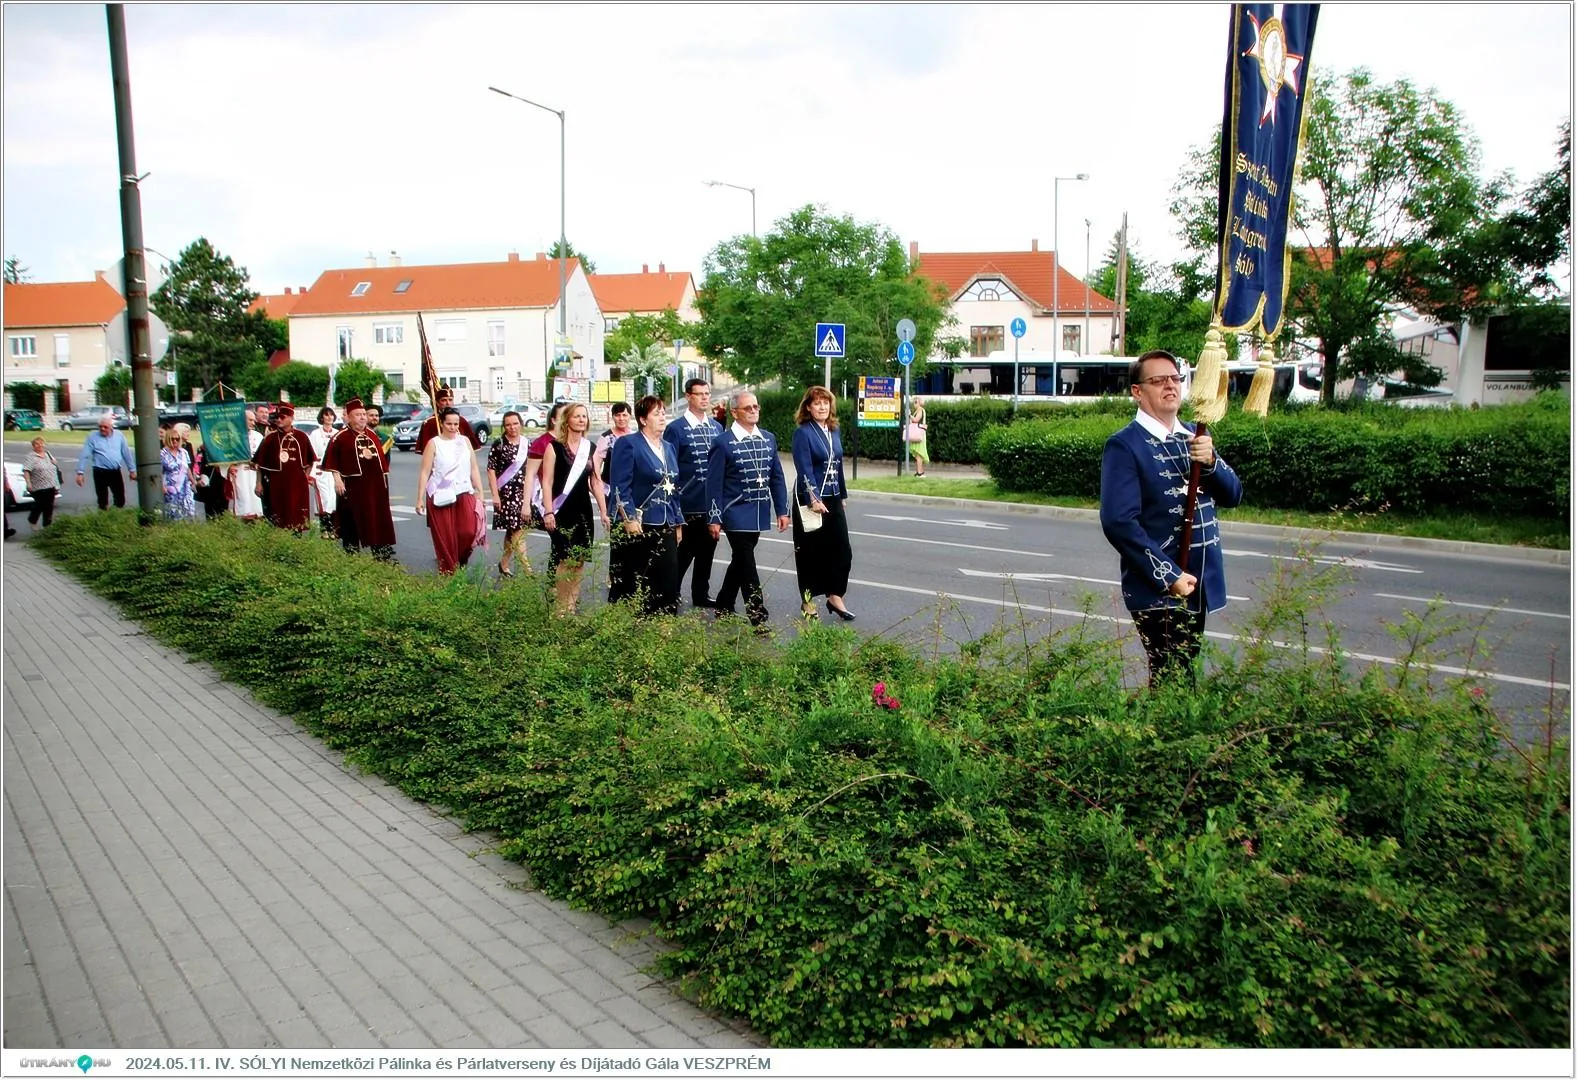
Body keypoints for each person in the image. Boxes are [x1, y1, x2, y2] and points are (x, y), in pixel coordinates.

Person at [1099, 349, 1243, 688]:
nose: (1170, 386)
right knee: (1172, 675)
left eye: (1175, 378)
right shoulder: (1125, 445)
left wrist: (1211, 463)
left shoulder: (1196, 436)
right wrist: (1168, 575)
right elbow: (1119, 522)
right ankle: (1167, 737)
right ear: (1138, 391)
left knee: (1182, 673)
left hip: (1198, 582)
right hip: (1159, 587)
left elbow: (1233, 495)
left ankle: (1174, 736)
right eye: (1158, 380)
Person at [706, 391, 789, 630]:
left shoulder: (769, 438)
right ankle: (757, 614)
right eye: (748, 408)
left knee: (740, 560)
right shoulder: (723, 442)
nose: (754, 411)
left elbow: (777, 477)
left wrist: (782, 510)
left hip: (759, 510)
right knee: (747, 561)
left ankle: (724, 603)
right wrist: (714, 516)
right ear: (734, 412)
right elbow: (714, 484)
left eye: (756, 407)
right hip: (734, 511)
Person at [608, 395, 683, 615]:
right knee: (633, 583)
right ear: (642, 419)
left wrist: (678, 522)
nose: (662, 417)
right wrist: (629, 518)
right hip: (638, 525)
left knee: (667, 583)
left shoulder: (669, 447)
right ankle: (629, 632)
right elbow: (620, 485)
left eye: (663, 413)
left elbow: (673, 487)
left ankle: (662, 632)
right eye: (656, 413)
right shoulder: (628, 444)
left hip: (665, 523)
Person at [790, 386, 855, 621]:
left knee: (842, 550)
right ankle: (807, 601)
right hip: (810, 499)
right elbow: (804, 467)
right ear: (808, 407)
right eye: (817, 403)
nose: (822, 407)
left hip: (833, 497)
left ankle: (835, 595)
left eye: (825, 402)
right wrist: (814, 499)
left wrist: (842, 496)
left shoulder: (833, 430)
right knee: (810, 553)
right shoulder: (803, 433)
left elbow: (837, 465)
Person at [539, 402, 611, 614]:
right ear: (567, 420)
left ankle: (571, 605)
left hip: (582, 510)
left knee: (579, 560)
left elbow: (595, 482)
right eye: (577, 416)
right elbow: (547, 481)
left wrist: (603, 511)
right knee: (565, 558)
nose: (581, 420)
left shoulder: (590, 448)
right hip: (562, 510)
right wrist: (548, 510)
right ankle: (560, 607)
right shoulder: (554, 447)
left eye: (584, 416)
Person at [664, 379, 725, 610]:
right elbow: (669, 466)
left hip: (710, 504)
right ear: (688, 396)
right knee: (684, 553)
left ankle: (701, 594)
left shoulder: (717, 427)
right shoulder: (676, 429)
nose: (704, 398)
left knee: (707, 553)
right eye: (699, 394)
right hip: (686, 503)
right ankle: (672, 592)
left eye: (707, 393)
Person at [321, 397, 398, 562]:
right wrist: (337, 479)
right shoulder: (340, 437)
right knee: (352, 522)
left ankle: (380, 555)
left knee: (377, 520)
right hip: (352, 488)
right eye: (358, 414)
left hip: (375, 487)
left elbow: (383, 465)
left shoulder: (373, 436)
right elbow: (332, 461)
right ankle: (352, 556)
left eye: (364, 414)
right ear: (348, 417)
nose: (363, 417)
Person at [417, 407, 487, 575]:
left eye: (456, 424)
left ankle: (460, 561)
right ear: (441, 423)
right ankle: (449, 573)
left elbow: (474, 468)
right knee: (446, 538)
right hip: (440, 494)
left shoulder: (464, 441)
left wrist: (480, 490)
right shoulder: (434, 443)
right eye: (449, 423)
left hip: (464, 491)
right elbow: (425, 472)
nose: (453, 427)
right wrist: (419, 499)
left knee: (469, 532)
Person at [252, 402, 317, 532]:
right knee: (277, 516)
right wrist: (258, 483)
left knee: (296, 517)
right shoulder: (270, 439)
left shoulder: (301, 437)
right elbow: (260, 464)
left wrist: (305, 476)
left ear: (291, 418)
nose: (279, 420)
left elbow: (310, 460)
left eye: (282, 417)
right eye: (278, 417)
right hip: (276, 483)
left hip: (297, 484)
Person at [486, 410, 531, 577]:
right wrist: (495, 495)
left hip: (523, 494)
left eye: (515, 423)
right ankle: (528, 569)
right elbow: (491, 470)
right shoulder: (499, 444)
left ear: (521, 424)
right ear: (504, 427)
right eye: (508, 424)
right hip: (506, 494)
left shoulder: (528, 444)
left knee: (513, 530)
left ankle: (504, 563)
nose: (512, 427)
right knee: (517, 529)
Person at [75, 413, 137, 509]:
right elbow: (85, 455)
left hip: (115, 471)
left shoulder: (119, 435)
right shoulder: (92, 437)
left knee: (120, 499)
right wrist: (80, 473)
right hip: (100, 472)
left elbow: (126, 453)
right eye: (100, 427)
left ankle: (116, 516)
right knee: (102, 500)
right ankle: (104, 517)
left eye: (105, 427)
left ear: (111, 427)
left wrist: (132, 470)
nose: (102, 429)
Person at [523, 402, 567, 528]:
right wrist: (526, 504)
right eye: (562, 416)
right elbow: (530, 475)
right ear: (553, 420)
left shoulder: (572, 441)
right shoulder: (541, 443)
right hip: (552, 500)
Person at [415, 386, 480, 453]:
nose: (448, 403)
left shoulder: (462, 421)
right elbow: (427, 452)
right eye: (444, 400)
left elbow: (470, 449)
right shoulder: (429, 423)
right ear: (437, 403)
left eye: (450, 400)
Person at [228, 409, 266, 522]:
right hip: (240, 474)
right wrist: (230, 466)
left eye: (254, 420)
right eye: (250, 420)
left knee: (256, 504)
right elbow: (227, 457)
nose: (253, 423)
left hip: (255, 474)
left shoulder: (258, 436)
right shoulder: (233, 437)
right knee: (243, 502)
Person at [307, 406, 339, 536]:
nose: (329, 417)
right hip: (320, 471)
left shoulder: (337, 433)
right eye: (326, 415)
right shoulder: (315, 434)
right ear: (322, 417)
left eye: (331, 415)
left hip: (333, 472)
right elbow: (311, 454)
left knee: (333, 500)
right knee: (323, 500)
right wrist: (311, 474)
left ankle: (334, 529)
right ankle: (324, 528)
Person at [21, 436, 60, 530]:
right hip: (38, 486)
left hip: (50, 484)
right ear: (33, 446)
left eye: (41, 443)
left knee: (49, 506)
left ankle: (47, 525)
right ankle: (32, 520)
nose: (40, 446)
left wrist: (55, 462)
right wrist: (28, 483)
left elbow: (55, 465)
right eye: (37, 444)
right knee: (39, 505)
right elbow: (26, 471)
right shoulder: (31, 457)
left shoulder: (48, 453)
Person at [160, 425, 197, 521]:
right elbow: (160, 471)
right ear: (168, 439)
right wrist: (162, 486)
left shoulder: (184, 452)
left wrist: (193, 481)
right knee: (173, 512)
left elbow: (187, 468)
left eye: (177, 439)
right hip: (171, 487)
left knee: (187, 511)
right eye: (172, 439)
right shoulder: (163, 453)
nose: (175, 441)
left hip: (184, 486)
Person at [592, 401, 634, 486]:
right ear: (613, 417)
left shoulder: (635, 436)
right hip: (611, 486)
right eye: (617, 415)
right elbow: (596, 464)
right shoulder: (606, 437)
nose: (621, 418)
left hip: (632, 486)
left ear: (630, 416)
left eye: (624, 415)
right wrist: (598, 484)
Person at [907, 398, 929, 477]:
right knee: (918, 454)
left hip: (919, 435)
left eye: (916, 402)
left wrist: (909, 415)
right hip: (918, 434)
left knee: (919, 454)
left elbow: (916, 420)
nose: (914, 404)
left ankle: (920, 473)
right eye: (914, 402)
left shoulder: (920, 410)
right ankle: (919, 472)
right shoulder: (917, 411)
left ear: (919, 403)